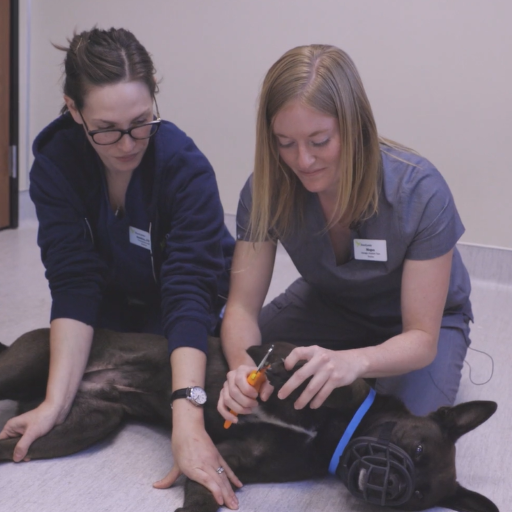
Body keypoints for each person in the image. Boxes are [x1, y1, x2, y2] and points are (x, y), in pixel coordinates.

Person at [0, 28, 241, 510]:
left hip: (185, 304)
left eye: (142, 121)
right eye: (106, 128)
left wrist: (187, 420)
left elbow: (188, 293)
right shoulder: (56, 165)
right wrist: (54, 405)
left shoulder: (184, 168)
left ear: (154, 98)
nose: (128, 143)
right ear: (73, 110)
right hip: (113, 304)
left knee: (191, 391)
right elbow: (73, 283)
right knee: (70, 380)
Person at [218, 44, 473, 424]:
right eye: (285, 143)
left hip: (420, 324)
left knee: (399, 436)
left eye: (320, 141)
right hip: (330, 302)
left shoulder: (419, 191)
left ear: (355, 127)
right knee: (228, 356)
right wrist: (241, 369)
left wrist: (354, 361)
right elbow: (240, 308)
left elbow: (420, 337)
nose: (302, 161)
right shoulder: (266, 189)